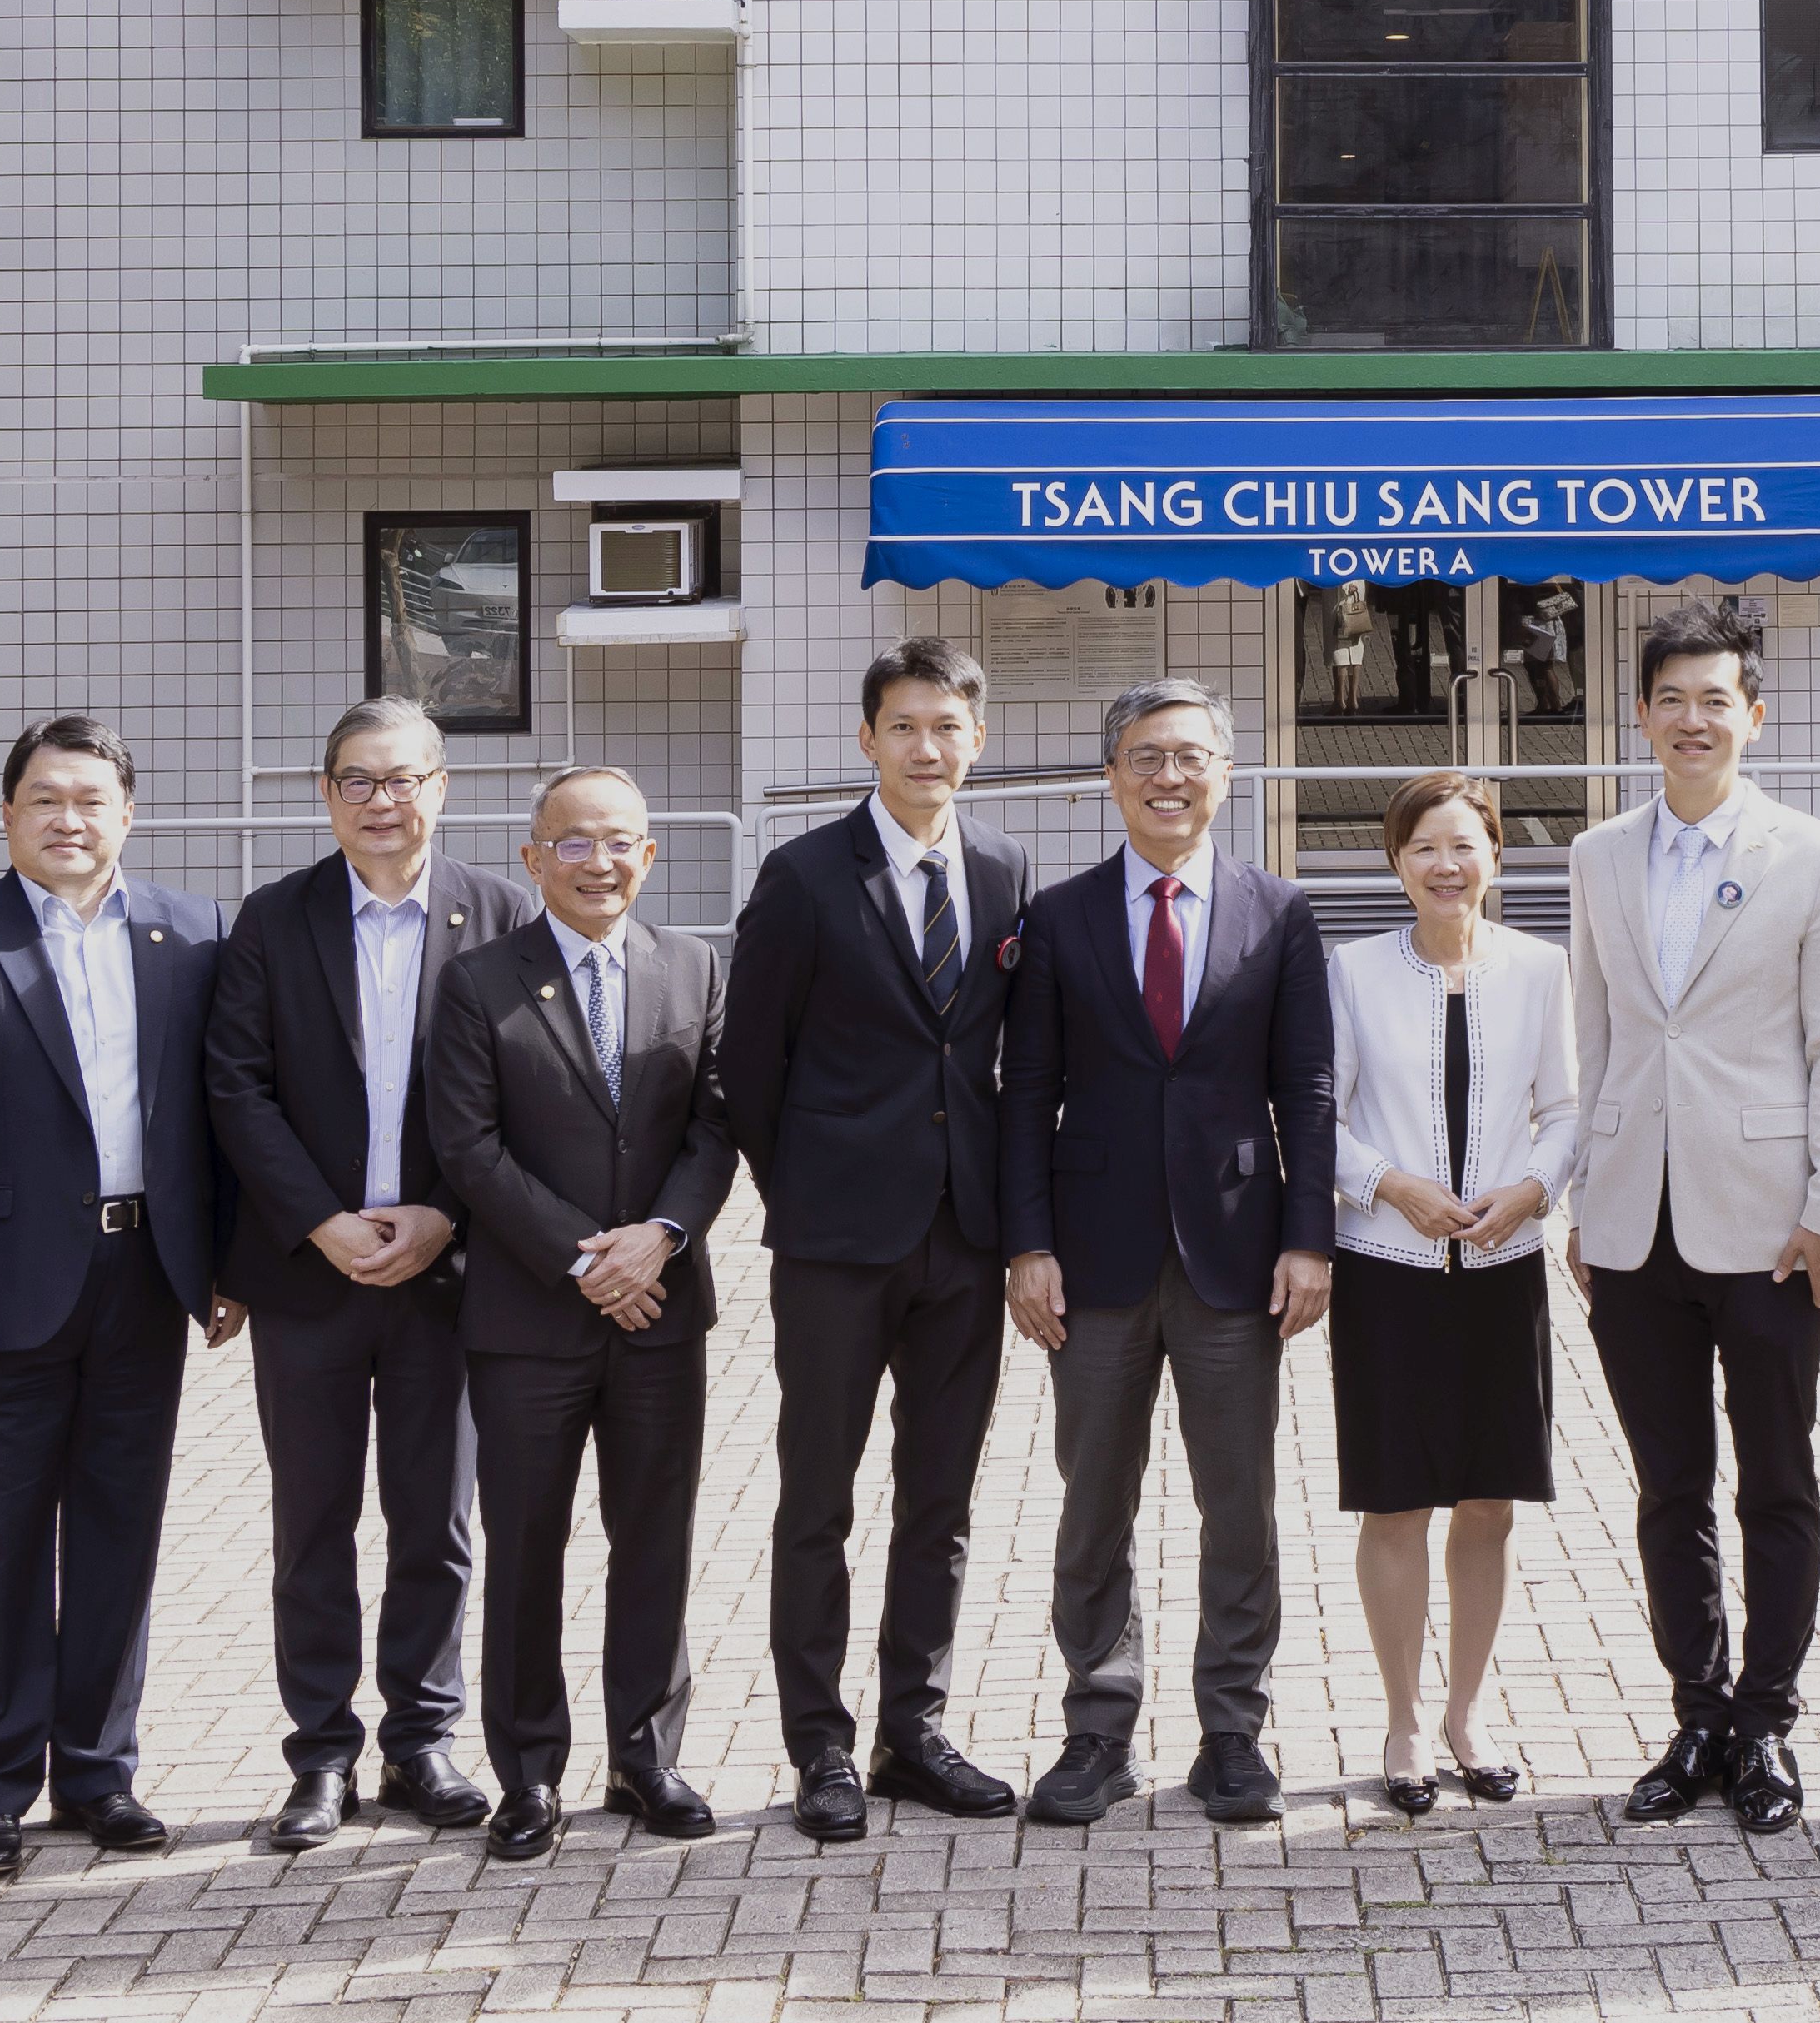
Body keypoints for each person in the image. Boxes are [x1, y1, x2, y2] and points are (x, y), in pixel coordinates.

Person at [0, 713, 238, 1883]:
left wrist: (223, 1261)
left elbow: (214, 1119)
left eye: (91, 800)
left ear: (128, 813)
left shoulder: (190, 933)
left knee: (119, 1538)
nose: (69, 820)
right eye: (45, 800)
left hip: (147, 1277)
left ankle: (97, 1774)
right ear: (8, 816)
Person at [1000, 679, 1338, 1829]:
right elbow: (1026, 1094)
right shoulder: (1060, 917)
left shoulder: (1279, 912)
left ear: (1226, 775)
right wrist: (1026, 1246)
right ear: (1112, 777)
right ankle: (1098, 1727)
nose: (1169, 776)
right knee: (1092, 1501)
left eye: (1191, 755)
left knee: (1236, 1503)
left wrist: (1309, 1241)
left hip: (1238, 1256)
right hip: (1089, 1260)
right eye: (1146, 755)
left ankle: (1232, 1732)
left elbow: (1308, 1088)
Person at [202, 694, 534, 1851]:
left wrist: (443, 1217)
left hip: (449, 1278)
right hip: (311, 1277)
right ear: (327, 795)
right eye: (359, 780)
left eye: (404, 779)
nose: (383, 801)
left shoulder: (500, 917)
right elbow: (235, 1088)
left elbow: (519, 1094)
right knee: (314, 1523)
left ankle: (422, 1740)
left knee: (437, 1522)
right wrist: (322, 1224)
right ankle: (322, 1755)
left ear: (442, 787)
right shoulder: (273, 920)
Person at [1563, 596, 1820, 1835]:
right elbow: (1595, 1040)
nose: (1694, 720)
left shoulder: (1814, 855)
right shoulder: (1595, 859)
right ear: (1642, 716)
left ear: (1755, 713)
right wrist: (1587, 1197)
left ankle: (1767, 1720)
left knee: (1777, 1478)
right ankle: (1695, 1709)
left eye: (1716, 700)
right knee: (1666, 1483)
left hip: (1772, 1222)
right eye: (1672, 699)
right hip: (1633, 1223)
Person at [718, 636, 1034, 1839]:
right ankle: (821, 1747)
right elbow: (748, 1064)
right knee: (818, 1495)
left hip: (964, 1236)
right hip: (837, 1244)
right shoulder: (803, 877)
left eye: (947, 726)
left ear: (976, 739)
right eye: (903, 727)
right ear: (868, 740)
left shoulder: (1005, 873)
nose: (927, 748)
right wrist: (802, 1187)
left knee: (940, 1501)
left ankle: (915, 1727)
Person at [424, 764, 738, 1861]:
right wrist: (582, 1257)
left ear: (649, 856)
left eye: (620, 843)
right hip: (527, 1321)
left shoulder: (695, 970)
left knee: (652, 1539)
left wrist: (662, 1238)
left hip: (663, 1309)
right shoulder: (477, 983)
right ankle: (528, 1775)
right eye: (575, 843)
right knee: (526, 1548)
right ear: (533, 858)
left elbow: (714, 1129)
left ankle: (648, 1759)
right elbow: (468, 1148)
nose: (599, 862)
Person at [1320, 768, 1577, 1817]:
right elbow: (1316, 1111)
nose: (1445, 863)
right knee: (1395, 1500)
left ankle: (1467, 1712)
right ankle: (1401, 1720)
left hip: (1501, 1269)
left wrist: (1532, 1189)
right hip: (1389, 1269)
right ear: (1395, 861)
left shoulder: (1539, 967)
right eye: (1424, 845)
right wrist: (1389, 1185)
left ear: (1496, 856)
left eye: (1464, 843)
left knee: (1487, 1500)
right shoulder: (1350, 970)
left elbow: (1565, 1108)